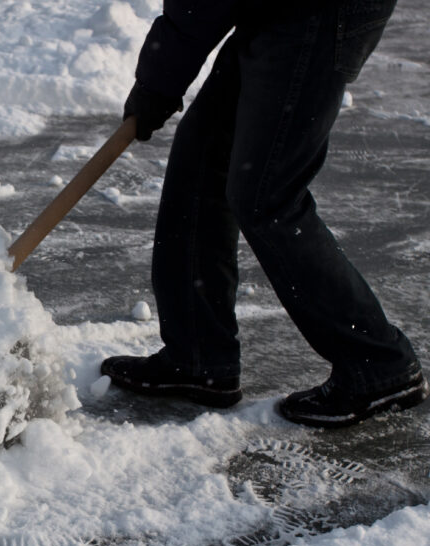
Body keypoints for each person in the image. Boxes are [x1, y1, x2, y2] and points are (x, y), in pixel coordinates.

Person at [101, 0, 428, 427]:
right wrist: (159, 77)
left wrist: (158, 81)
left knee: (267, 194)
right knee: (201, 162)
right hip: (274, 9)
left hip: (324, 10)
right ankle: (199, 359)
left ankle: (378, 363)